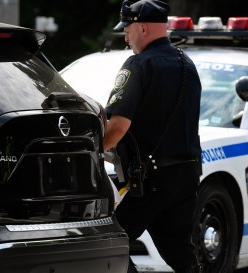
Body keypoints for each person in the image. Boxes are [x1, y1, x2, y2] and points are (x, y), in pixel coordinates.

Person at [103, 1, 202, 272]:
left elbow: (118, 125)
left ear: (143, 27)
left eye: (128, 28)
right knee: (180, 249)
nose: (125, 36)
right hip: (187, 174)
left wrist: (97, 151)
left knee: (109, 242)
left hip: (152, 177)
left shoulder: (138, 64)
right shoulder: (187, 63)